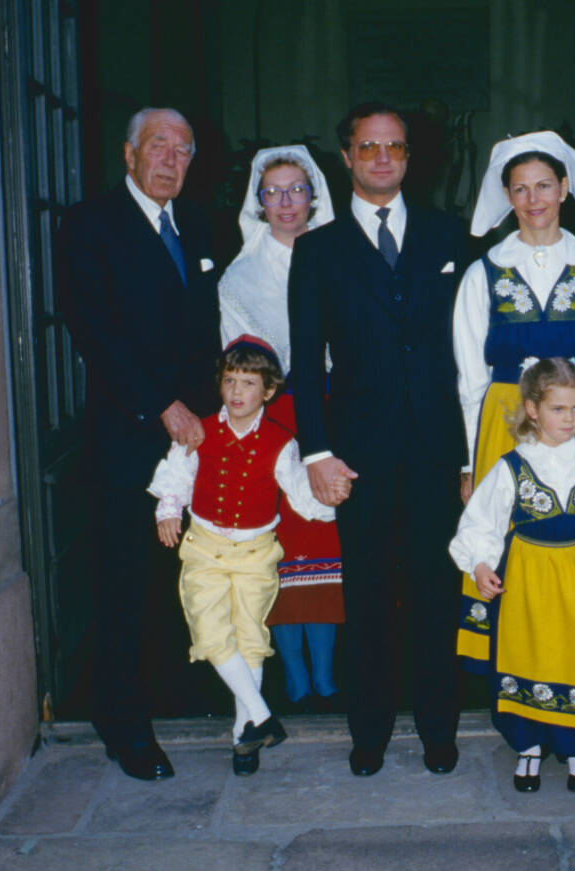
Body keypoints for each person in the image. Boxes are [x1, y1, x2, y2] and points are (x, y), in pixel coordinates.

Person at [288, 102, 467, 777]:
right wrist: (315, 451)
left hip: (435, 448)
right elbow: (306, 361)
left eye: (394, 146)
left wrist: (472, 455)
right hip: (355, 454)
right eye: (369, 147)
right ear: (347, 157)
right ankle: (368, 731)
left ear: (410, 156)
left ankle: (438, 726)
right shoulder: (318, 249)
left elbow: (471, 351)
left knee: (434, 589)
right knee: (366, 594)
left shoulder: (449, 236)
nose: (383, 158)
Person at [56, 107, 220, 781]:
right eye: (159, 147)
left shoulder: (198, 225)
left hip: (195, 441)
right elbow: (93, 327)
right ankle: (123, 723)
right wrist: (161, 405)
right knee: (124, 583)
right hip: (129, 440)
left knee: (178, 580)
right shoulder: (90, 225)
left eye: (184, 151)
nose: (171, 161)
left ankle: (175, 699)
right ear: (128, 154)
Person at [454, 131, 575, 673]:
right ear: (507, 197)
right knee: (512, 534)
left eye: (543, 185)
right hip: (504, 421)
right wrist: (470, 461)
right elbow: (469, 375)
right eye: (520, 189)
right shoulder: (483, 273)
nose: (533, 199)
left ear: (563, 188)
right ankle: (521, 663)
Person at [450, 358, 575, 794]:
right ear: (532, 409)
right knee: (530, 653)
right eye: (559, 409)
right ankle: (529, 746)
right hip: (528, 579)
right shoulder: (511, 466)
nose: (570, 419)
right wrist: (481, 564)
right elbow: (481, 524)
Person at [148, 336, 334, 775]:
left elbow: (302, 495)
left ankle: (243, 737)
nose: (236, 391)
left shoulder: (281, 441)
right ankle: (264, 716)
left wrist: (333, 499)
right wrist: (168, 510)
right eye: (230, 380)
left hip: (256, 552)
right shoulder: (199, 430)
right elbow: (176, 474)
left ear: (268, 391)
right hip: (206, 549)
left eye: (248, 383)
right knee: (210, 632)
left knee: (249, 637)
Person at [218, 145, 344, 714]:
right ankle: (292, 671)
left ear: (314, 195)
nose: (287, 202)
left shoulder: (341, 256)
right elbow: (239, 360)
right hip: (273, 417)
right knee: (281, 547)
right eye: (275, 192)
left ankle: (329, 671)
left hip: (335, 412)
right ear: (259, 202)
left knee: (327, 540)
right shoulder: (240, 276)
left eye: (297, 189)